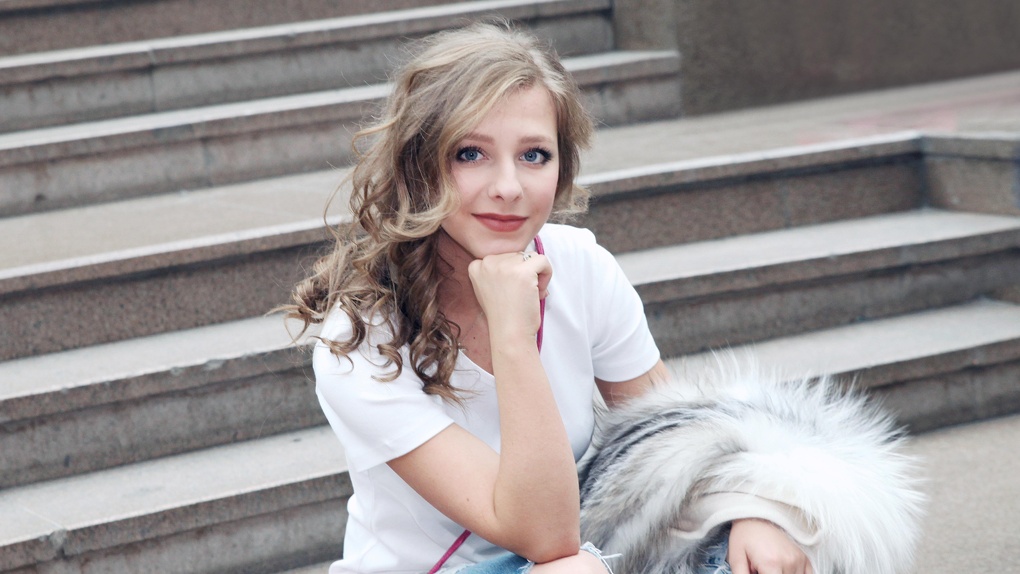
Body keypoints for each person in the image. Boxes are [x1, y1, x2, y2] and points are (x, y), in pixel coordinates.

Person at [284, 22, 813, 574]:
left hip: (561, 556)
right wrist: (513, 335)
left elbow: (671, 439)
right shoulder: (362, 340)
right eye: (470, 153)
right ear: (419, 166)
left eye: (534, 155)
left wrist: (750, 512)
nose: (508, 187)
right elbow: (544, 537)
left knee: (761, 553)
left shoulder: (580, 265)